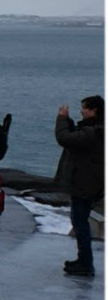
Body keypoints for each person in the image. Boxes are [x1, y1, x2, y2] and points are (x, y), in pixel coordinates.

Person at [56, 95, 105, 277]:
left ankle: (85, 263)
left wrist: (61, 119)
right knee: (80, 221)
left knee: (80, 222)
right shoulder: (96, 130)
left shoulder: (93, 132)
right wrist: (68, 121)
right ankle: (83, 260)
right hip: (91, 182)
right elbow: (75, 136)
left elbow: (64, 138)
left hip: (85, 183)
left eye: (85, 108)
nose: (82, 111)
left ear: (94, 111)